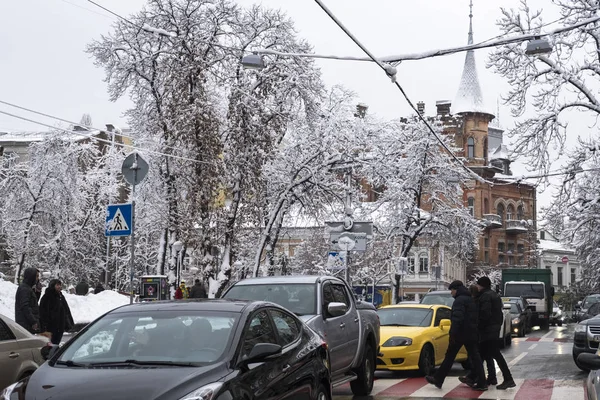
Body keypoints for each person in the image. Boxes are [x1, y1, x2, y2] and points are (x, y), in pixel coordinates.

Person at [425, 280, 487, 391]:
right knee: (474, 357)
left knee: (450, 356)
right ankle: (482, 382)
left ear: (456, 289)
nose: (451, 293)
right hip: (471, 332)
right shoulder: (469, 299)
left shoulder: (459, 300)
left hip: (461, 333)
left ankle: (438, 379)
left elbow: (457, 318)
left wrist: (453, 333)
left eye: (452, 290)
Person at [467, 276, 516, 390]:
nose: (477, 287)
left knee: (493, 355)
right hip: (493, 330)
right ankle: (474, 377)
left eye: (478, 285)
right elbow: (498, 314)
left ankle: (508, 379)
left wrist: (479, 326)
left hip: (488, 331)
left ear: (481, 285)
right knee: (484, 354)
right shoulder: (494, 295)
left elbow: (485, 314)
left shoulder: (485, 296)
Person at [39, 279, 74, 345]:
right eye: (57, 285)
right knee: (50, 346)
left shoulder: (61, 296)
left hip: (60, 327)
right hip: (51, 328)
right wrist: (44, 326)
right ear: (52, 286)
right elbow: (43, 313)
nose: (59, 286)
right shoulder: (47, 297)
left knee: (56, 345)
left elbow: (66, 310)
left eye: (60, 285)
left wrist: (69, 323)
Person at [14, 267, 41, 333]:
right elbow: (25, 306)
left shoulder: (28, 288)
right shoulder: (24, 289)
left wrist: (37, 293)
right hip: (26, 324)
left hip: (27, 324)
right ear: (31, 276)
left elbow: (33, 304)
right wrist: (33, 321)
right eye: (36, 276)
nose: (38, 278)